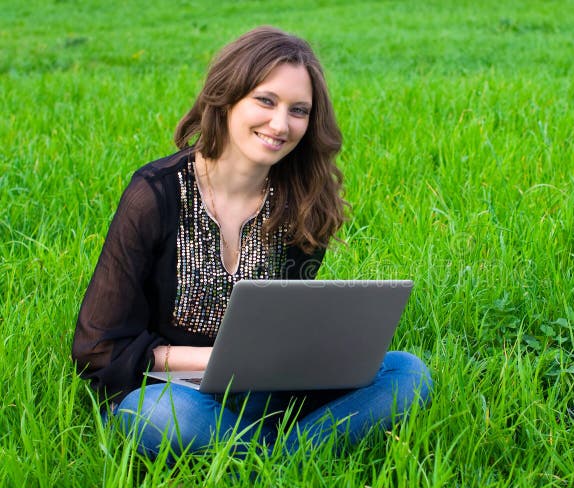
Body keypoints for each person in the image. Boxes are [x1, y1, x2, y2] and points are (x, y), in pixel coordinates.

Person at [71, 26, 432, 459]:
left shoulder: (303, 200)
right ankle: (293, 455)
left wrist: (316, 355)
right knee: (158, 417)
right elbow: (98, 348)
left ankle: (264, 457)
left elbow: (284, 321)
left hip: (266, 388)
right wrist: (216, 363)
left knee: (409, 373)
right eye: (265, 101)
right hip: (173, 394)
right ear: (227, 97)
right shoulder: (155, 194)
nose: (280, 124)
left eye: (298, 110)